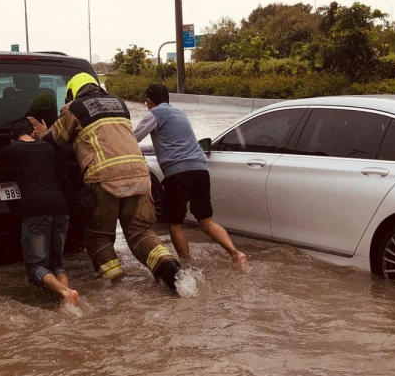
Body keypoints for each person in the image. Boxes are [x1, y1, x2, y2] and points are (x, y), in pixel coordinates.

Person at [28, 73, 185, 293]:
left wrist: (43, 133)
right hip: (140, 175)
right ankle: (174, 274)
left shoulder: (76, 108)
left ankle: (116, 290)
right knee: (141, 232)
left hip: (104, 178)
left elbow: (56, 140)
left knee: (98, 236)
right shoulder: (120, 104)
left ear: (73, 93)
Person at [133, 83, 247, 267]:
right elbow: (170, 144)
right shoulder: (180, 114)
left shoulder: (154, 114)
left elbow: (133, 138)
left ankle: (187, 265)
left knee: (175, 223)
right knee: (206, 221)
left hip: (178, 175)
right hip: (200, 171)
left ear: (149, 102)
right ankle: (236, 253)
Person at [0, 120, 80, 306]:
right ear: (33, 133)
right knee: (57, 264)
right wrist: (45, 135)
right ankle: (68, 303)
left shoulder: (11, 151)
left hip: (36, 210)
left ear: (13, 139)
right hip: (61, 208)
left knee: (35, 267)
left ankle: (65, 292)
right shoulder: (48, 148)